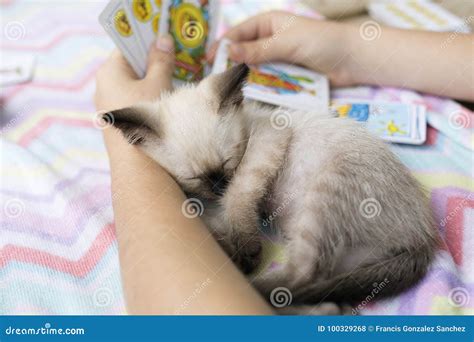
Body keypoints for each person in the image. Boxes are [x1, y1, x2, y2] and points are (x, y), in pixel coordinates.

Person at [94, 11, 473, 314]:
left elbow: (262, 163)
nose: (217, 187)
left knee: (306, 224)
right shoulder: (164, 138)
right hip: (356, 242)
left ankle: (296, 279)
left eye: (227, 164)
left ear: (234, 103)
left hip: (365, 188)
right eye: (197, 179)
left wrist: (239, 209)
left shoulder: (258, 125)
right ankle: (313, 293)